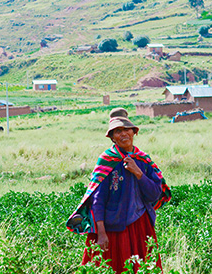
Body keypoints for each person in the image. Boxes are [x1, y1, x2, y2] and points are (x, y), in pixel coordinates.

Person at [66, 108, 171, 273]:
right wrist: (101, 233)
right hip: (113, 228)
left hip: (140, 226)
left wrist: (138, 172)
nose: (123, 134)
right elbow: (97, 200)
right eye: (118, 131)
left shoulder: (143, 160)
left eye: (127, 129)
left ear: (134, 132)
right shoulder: (107, 161)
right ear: (112, 137)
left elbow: (154, 194)